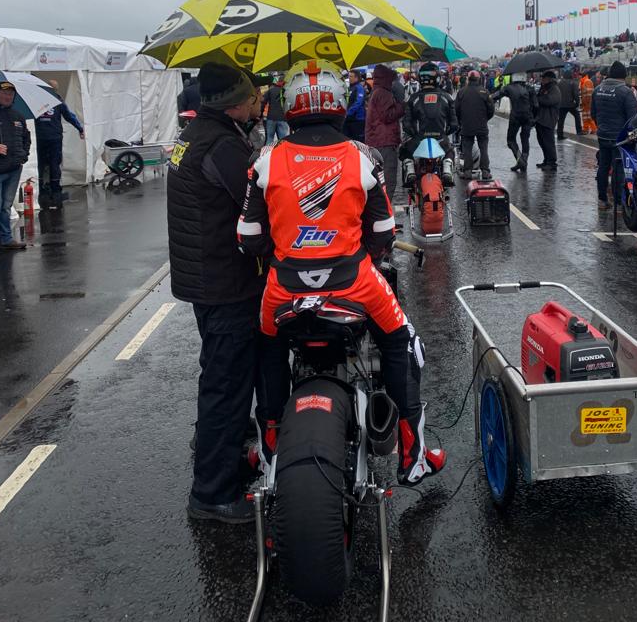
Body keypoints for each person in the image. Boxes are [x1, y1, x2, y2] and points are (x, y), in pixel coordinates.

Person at [237, 59, 446, 487]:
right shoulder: (363, 155)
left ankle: (269, 444)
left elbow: (248, 237)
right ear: (339, 101)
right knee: (403, 342)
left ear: (289, 103)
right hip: (354, 283)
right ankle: (414, 455)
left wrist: (286, 247)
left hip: (283, 289)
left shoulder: (265, 159)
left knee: (266, 349)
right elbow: (384, 232)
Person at [167, 62, 266, 523]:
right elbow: (255, 203)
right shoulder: (222, 145)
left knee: (219, 373)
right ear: (234, 103)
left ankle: (218, 445)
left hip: (203, 277)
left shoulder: (193, 135)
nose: (256, 103)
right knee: (226, 386)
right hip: (226, 280)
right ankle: (213, 493)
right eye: (250, 97)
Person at [591, 61, 637, 209]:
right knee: (618, 170)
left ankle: (602, 199)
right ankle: (618, 203)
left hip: (603, 135)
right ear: (623, 76)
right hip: (619, 138)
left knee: (603, 167)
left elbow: (593, 114)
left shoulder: (597, 89)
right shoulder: (626, 92)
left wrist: (601, 127)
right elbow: (633, 119)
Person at [402, 62, 457, 186]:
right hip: (441, 140)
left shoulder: (413, 98)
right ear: (437, 78)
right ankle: (447, 165)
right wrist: (445, 132)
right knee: (450, 151)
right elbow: (454, 124)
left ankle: (410, 168)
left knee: (404, 150)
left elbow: (406, 124)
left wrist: (414, 134)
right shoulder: (447, 97)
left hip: (419, 140)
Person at [0, 82, 30, 256]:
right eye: (4, 93)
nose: (7, 97)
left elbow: (26, 138)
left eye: (10, 94)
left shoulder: (18, 116)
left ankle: (5, 239)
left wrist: (23, 156)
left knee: (6, 207)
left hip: (14, 169)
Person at [34, 79, 84, 209]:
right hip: (52, 138)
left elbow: (68, 116)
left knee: (44, 164)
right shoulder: (57, 100)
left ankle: (45, 190)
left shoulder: (38, 100)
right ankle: (54, 191)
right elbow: (69, 116)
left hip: (43, 138)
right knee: (53, 164)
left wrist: (80, 128)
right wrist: (80, 128)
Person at [365, 64, 404, 202]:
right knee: (388, 180)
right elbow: (388, 115)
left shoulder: (376, 91)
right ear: (387, 78)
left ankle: (381, 209)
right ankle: (385, 210)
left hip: (376, 141)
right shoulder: (383, 93)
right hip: (385, 142)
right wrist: (402, 105)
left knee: (379, 179)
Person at [455, 70, 494, 179]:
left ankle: (467, 171)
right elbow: (491, 110)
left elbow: (456, 109)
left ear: (468, 79)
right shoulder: (485, 92)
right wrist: (485, 119)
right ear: (478, 79)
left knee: (467, 148)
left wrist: (461, 121)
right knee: (483, 148)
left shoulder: (461, 91)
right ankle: (485, 171)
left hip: (466, 125)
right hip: (481, 125)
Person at [496, 74, 537, 172]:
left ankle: (520, 160)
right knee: (525, 139)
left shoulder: (509, 87)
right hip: (528, 116)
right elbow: (536, 105)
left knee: (511, 140)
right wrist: (533, 119)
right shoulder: (530, 88)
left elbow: (496, 96)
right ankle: (523, 161)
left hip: (515, 116)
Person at [534, 72, 560, 171]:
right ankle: (546, 160)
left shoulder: (554, 89)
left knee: (548, 142)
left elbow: (550, 100)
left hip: (548, 119)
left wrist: (537, 99)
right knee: (542, 142)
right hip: (541, 119)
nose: (542, 79)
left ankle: (552, 163)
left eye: (544, 78)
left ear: (549, 79)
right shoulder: (544, 88)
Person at [261, 74, 288, 144]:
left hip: (271, 117)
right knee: (283, 141)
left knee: (269, 139)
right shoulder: (286, 91)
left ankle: (268, 151)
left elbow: (263, 102)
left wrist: (260, 114)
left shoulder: (271, 90)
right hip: (282, 118)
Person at [557, 70, 583, 140]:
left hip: (561, 104)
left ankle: (559, 135)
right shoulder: (573, 83)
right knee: (577, 116)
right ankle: (579, 131)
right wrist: (577, 103)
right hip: (570, 104)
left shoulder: (559, 83)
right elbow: (576, 94)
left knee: (561, 120)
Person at [343, 69, 366, 142]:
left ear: (356, 78)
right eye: (349, 76)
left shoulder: (359, 88)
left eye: (351, 76)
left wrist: (348, 113)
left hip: (357, 119)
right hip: (349, 119)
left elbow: (358, 102)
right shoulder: (349, 88)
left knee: (358, 141)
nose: (349, 78)